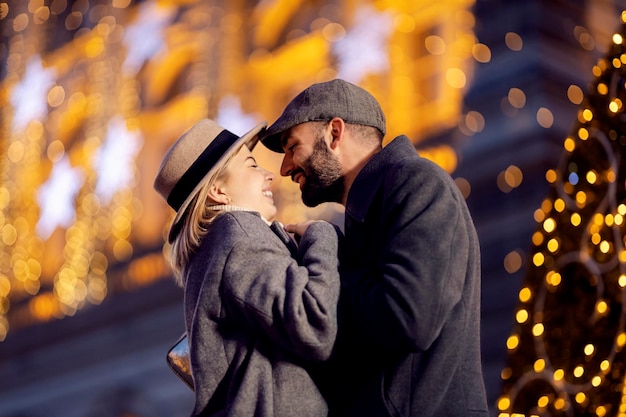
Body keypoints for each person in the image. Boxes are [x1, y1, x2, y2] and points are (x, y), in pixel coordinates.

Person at [260, 79, 489, 417]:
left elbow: (408, 316)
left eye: (293, 147)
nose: (285, 168)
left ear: (335, 133)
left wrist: (326, 262)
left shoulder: (418, 183)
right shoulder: (367, 213)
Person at [153, 118, 341, 417]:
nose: (269, 175)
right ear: (217, 190)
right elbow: (314, 323)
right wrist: (322, 237)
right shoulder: (240, 232)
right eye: (252, 165)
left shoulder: (211, 250)